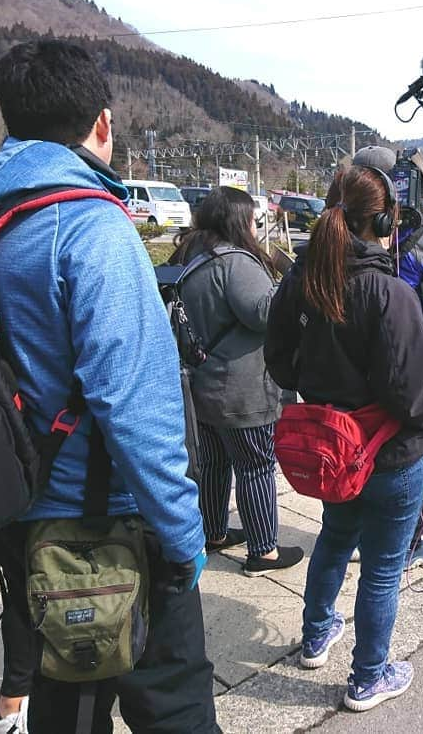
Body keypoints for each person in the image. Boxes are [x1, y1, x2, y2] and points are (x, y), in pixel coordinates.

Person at [0, 40, 219, 733]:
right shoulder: (90, 225)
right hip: (108, 526)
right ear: (103, 123)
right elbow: (133, 402)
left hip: (18, 509)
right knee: (178, 714)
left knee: (67, 710)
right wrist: (183, 534)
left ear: (7, 118)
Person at [264, 163, 423, 711]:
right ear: (386, 220)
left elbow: (281, 368)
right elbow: (414, 400)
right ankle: (367, 677)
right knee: (382, 566)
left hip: (333, 450)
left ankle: (316, 636)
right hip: (390, 455)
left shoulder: (300, 282)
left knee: (335, 538)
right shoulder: (389, 293)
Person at [168, 188, 304, 577]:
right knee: (255, 465)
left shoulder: (190, 257)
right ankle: (264, 551)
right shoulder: (235, 262)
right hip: (242, 389)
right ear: (238, 220)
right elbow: (264, 314)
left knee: (213, 463)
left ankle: (211, 532)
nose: (255, 226)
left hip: (203, 383)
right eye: (252, 219)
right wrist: (287, 288)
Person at [351, 146, 423, 570]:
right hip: (412, 350)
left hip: (353, 356)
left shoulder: (336, 237)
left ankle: (364, 533)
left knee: (364, 444)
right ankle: (406, 540)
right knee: (412, 448)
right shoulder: (419, 240)